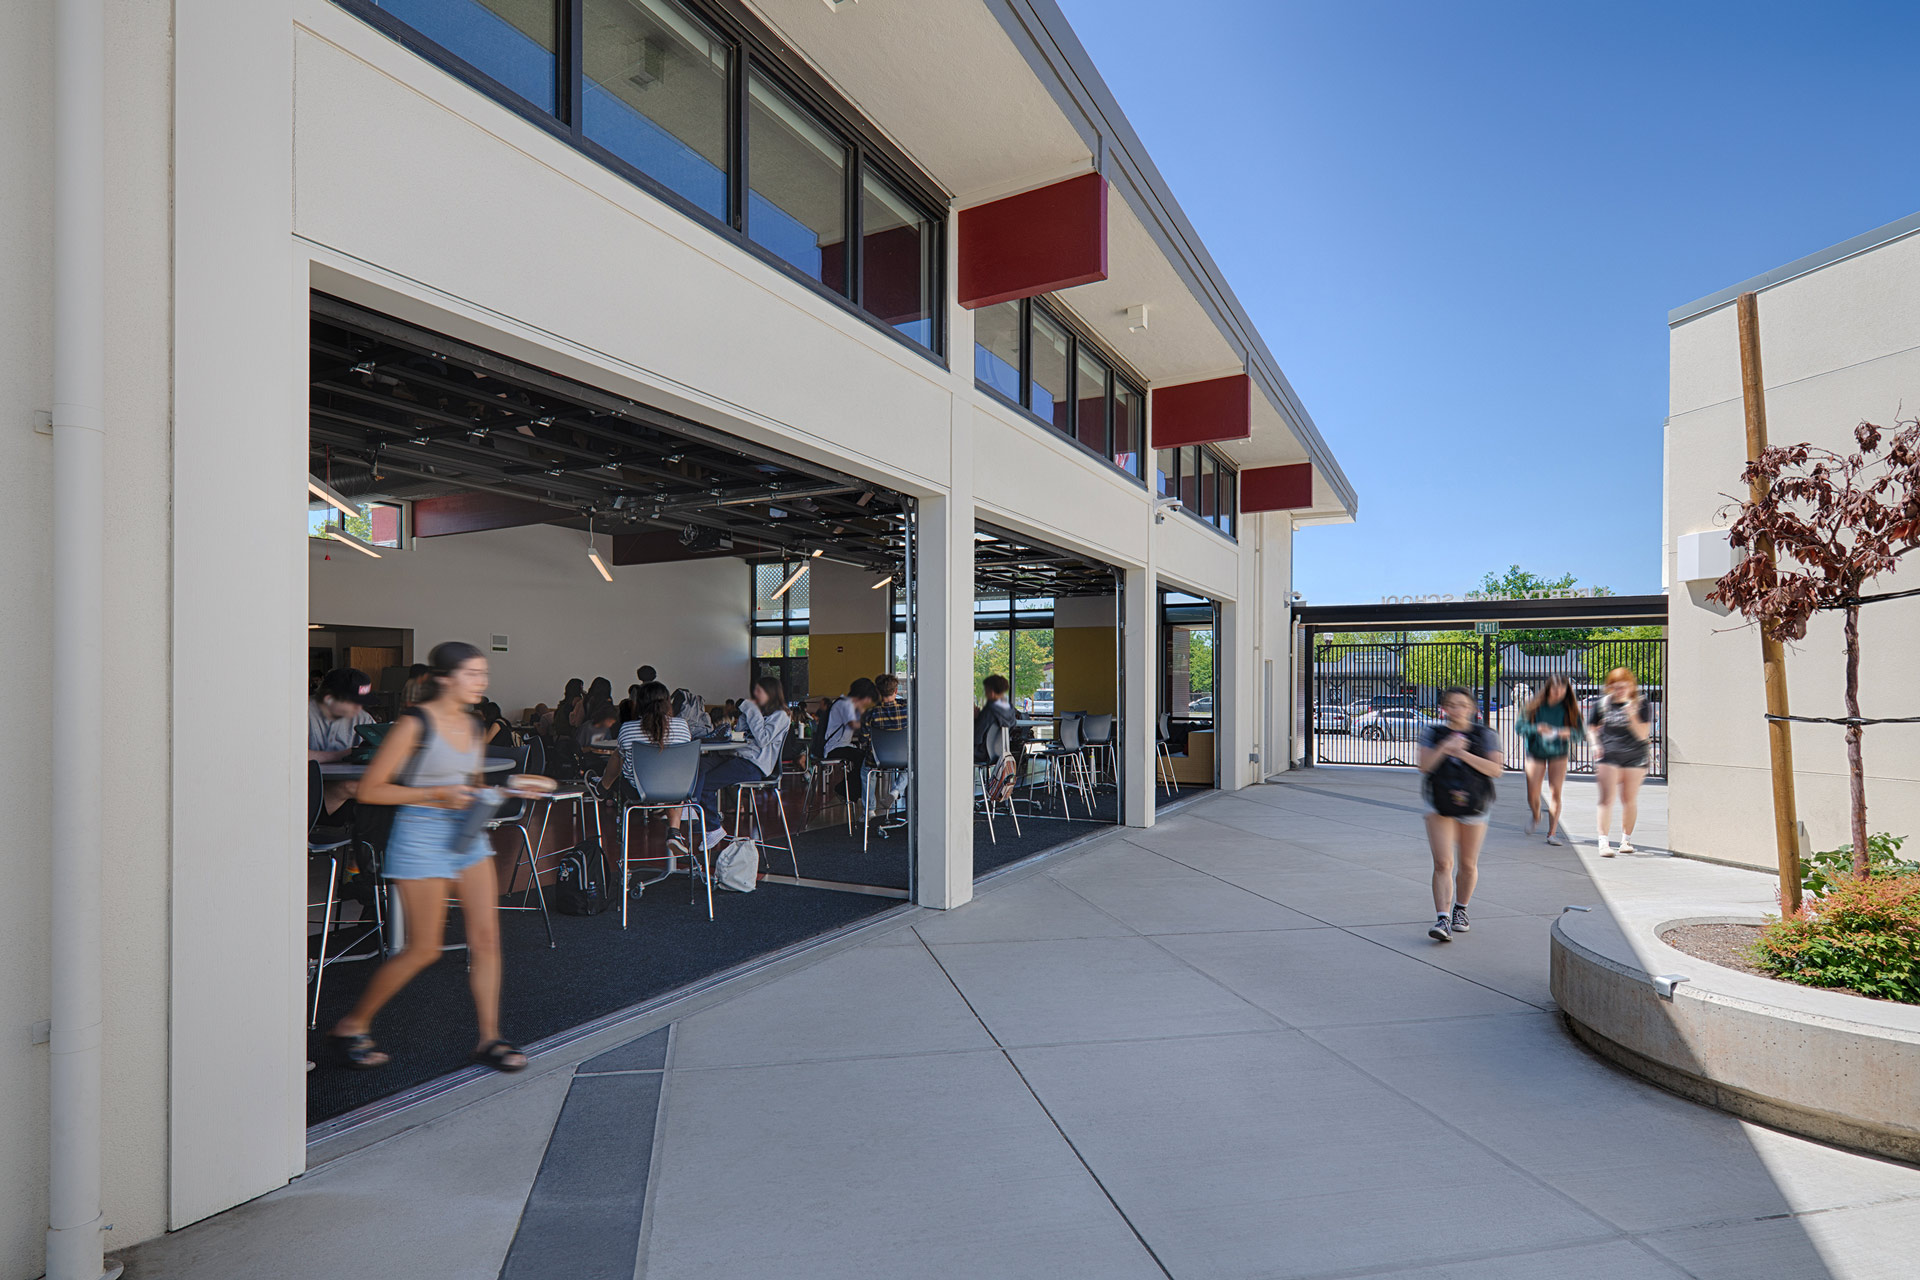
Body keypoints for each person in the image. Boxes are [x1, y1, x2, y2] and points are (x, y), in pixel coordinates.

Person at [326, 641, 527, 1074]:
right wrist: (437, 793)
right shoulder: (415, 724)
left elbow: (469, 785)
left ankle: (490, 1038)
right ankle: (352, 1024)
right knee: (423, 949)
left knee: (488, 939)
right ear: (444, 679)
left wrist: (506, 792)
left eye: (483, 673)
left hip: (466, 835)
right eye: (473, 674)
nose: (482, 681)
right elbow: (371, 789)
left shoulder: (474, 726)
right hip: (419, 836)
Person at [1418, 686, 1503, 942]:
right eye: (1451, 704)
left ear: (1472, 708)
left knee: (1467, 864)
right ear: (1444, 708)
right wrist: (1446, 746)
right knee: (1443, 863)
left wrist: (1462, 752)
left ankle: (1461, 910)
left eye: (1462, 704)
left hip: (1475, 804)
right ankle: (1442, 918)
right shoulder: (1433, 733)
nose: (1457, 709)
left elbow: (1495, 770)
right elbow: (1423, 766)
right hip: (1440, 803)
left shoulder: (1485, 735)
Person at [694, 677, 790, 860]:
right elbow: (742, 735)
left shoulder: (781, 715)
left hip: (755, 766)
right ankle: (692, 808)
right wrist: (745, 716)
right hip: (738, 755)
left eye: (759, 691)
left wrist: (751, 710)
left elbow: (762, 740)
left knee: (706, 781)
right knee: (699, 766)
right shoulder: (760, 713)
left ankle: (712, 826)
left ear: (771, 693)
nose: (755, 695)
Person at [604, 681, 694, 857]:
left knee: (618, 754)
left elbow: (623, 758)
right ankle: (674, 832)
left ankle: (602, 787)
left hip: (639, 791)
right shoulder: (682, 725)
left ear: (639, 704)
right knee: (672, 779)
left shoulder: (628, 728)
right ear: (667, 702)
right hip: (677, 790)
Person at [1588, 667, 1652, 855]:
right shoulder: (1602, 703)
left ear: (1631, 686)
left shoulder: (1641, 703)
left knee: (1628, 799)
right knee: (1606, 798)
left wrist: (1631, 714)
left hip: (1635, 756)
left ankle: (1626, 841)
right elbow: (1591, 727)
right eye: (1615, 687)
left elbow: (1642, 735)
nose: (1620, 691)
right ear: (1610, 687)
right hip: (1609, 755)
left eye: (1624, 687)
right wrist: (1595, 745)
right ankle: (1603, 842)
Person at [1517, 674, 1581, 846]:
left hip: (1558, 753)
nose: (1558, 692)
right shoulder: (1534, 706)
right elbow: (1520, 727)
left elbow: (1580, 732)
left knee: (1555, 792)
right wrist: (1537, 728)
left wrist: (1567, 732)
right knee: (1533, 792)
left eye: (1562, 689)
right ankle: (1536, 814)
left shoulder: (1569, 709)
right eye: (1555, 688)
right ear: (1548, 688)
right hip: (1536, 752)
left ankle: (1552, 833)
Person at [309, 667, 374, 817]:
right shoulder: (300, 713)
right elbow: (291, 757)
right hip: (307, 797)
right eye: (353, 702)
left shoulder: (363, 718)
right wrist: (343, 754)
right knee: (350, 787)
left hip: (348, 803)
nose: (359, 708)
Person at [973, 674, 1018, 764]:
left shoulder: (989, 711)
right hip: (1000, 753)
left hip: (981, 753)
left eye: (986, 690)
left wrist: (974, 719)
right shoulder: (1010, 709)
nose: (985, 694)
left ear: (991, 691)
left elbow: (976, 736)